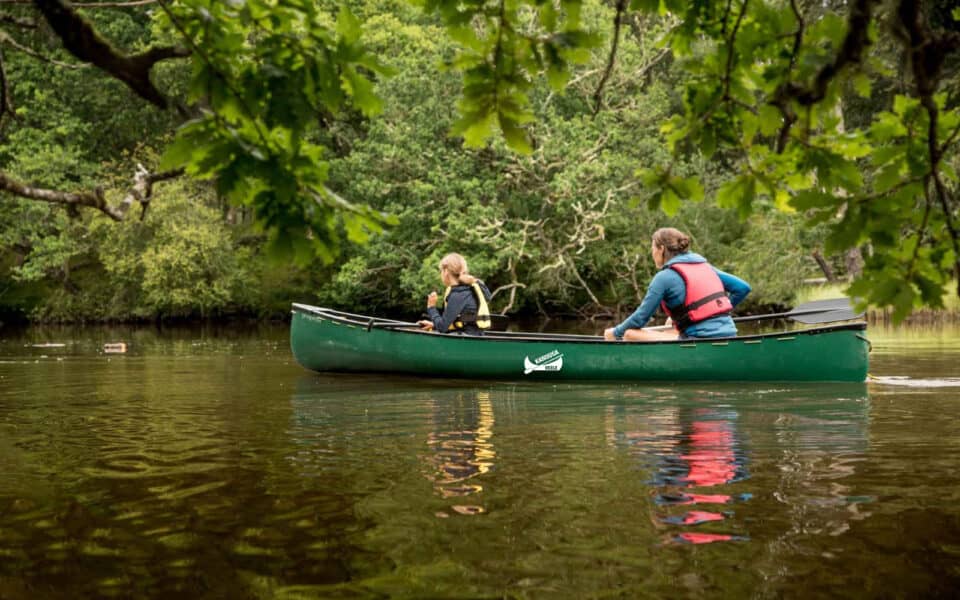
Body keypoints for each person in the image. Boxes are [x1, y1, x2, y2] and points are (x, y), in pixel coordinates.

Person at [604, 228, 750, 342]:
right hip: (730, 333)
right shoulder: (706, 267)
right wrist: (717, 310)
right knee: (670, 323)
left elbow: (640, 318)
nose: (652, 253)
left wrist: (615, 333)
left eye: (653, 248)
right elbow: (742, 288)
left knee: (629, 333)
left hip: (700, 340)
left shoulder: (664, 277)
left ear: (661, 249)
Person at [417, 253, 493, 335]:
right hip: (475, 337)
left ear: (446, 271)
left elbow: (442, 327)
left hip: (466, 340)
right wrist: (434, 324)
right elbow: (465, 320)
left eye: (441, 271)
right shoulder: (470, 289)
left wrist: (431, 308)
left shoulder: (458, 294)